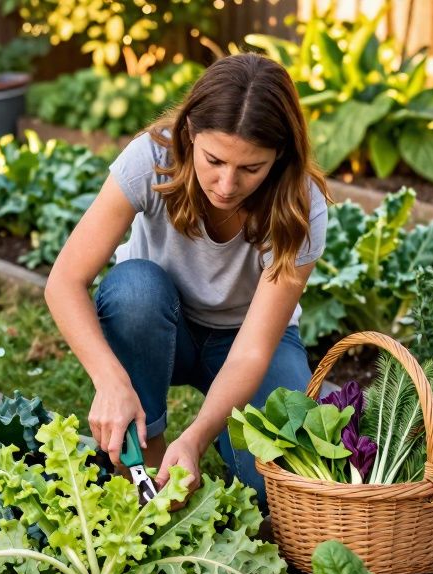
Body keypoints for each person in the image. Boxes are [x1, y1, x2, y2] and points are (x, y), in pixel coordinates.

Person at [44, 53, 329, 509]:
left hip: (244, 339)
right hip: (157, 321)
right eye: (214, 159)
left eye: (250, 168)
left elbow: (253, 349)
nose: (226, 184)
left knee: (273, 488)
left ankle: (200, 449)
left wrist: (195, 438)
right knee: (134, 288)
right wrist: (110, 381)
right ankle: (146, 459)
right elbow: (64, 282)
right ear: (191, 133)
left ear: (279, 157)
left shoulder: (302, 206)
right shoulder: (151, 158)